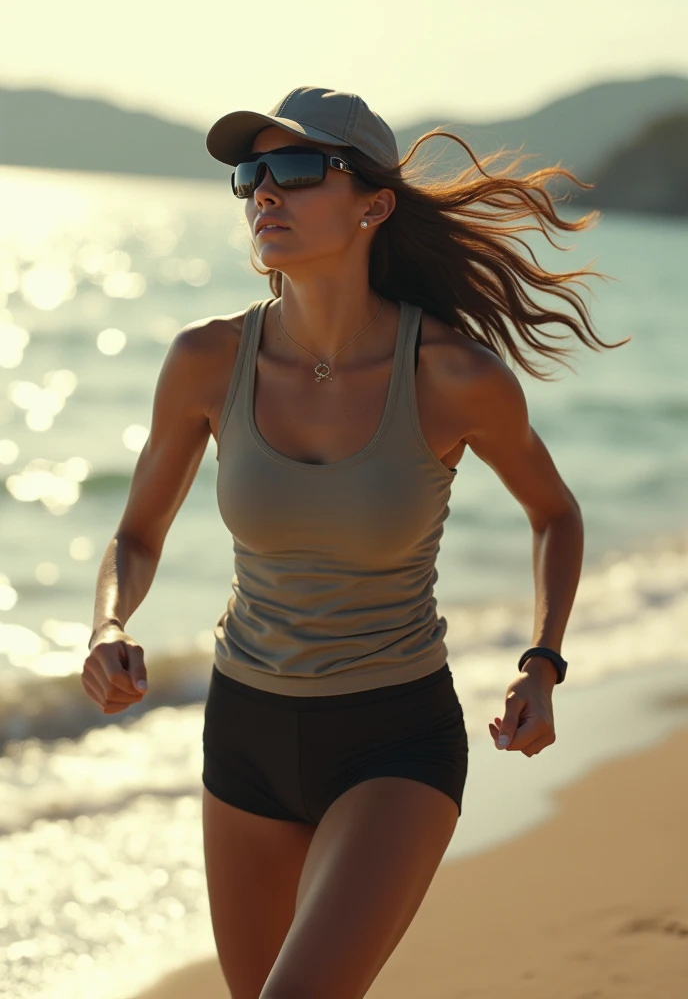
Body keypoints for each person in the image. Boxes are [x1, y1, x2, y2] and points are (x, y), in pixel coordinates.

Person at [82, 87, 629, 999]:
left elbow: (554, 513)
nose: (264, 193)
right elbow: (136, 535)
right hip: (245, 736)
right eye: (251, 175)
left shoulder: (453, 375)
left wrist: (542, 661)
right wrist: (106, 625)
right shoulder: (206, 360)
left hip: (394, 742)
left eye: (295, 170)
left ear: (374, 204)